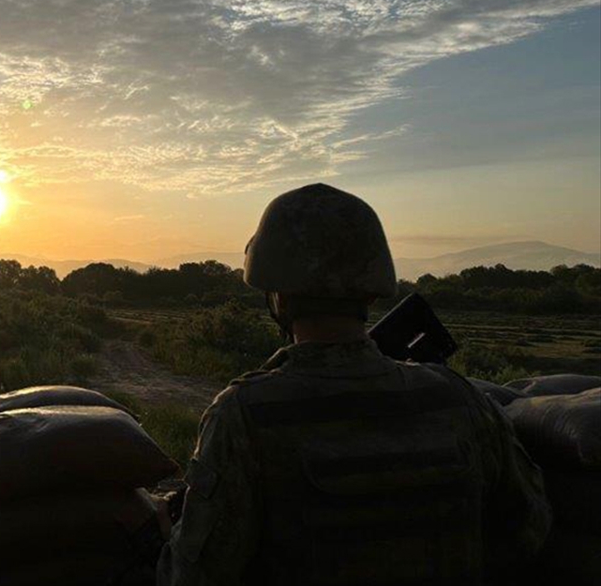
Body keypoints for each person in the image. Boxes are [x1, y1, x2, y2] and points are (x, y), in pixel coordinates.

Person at [157, 183, 552, 586]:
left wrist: (167, 531)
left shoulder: (244, 414)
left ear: (277, 296)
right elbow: (527, 533)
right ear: (371, 289)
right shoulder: (459, 398)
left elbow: (194, 576)